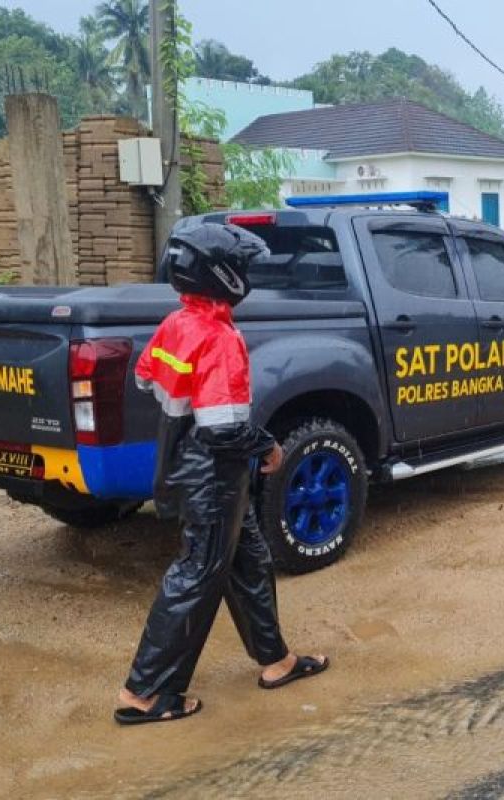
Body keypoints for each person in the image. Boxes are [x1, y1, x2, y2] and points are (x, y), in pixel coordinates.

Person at [115, 223, 328, 726]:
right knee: (195, 576)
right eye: (243, 266)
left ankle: (275, 660)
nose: (247, 274)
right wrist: (269, 448)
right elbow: (224, 431)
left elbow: (146, 378)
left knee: (248, 560)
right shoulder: (219, 337)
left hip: (192, 466)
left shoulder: (177, 323)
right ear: (221, 274)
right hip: (213, 476)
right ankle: (145, 693)